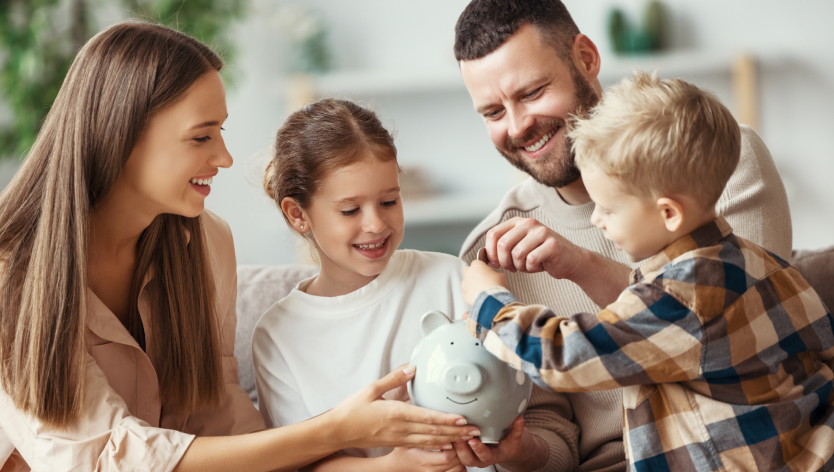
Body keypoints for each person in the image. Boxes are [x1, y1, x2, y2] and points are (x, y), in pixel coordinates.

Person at [0, 22, 475, 472]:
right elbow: (104, 457)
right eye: (201, 136)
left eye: (221, 132)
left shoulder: (204, 243)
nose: (225, 157)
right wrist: (334, 429)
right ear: (122, 135)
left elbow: (216, 416)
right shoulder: (11, 273)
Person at [452, 1, 793, 471]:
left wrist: (580, 268)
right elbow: (554, 443)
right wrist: (515, 451)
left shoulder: (713, 167)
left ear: (587, 58)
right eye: (492, 111)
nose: (517, 125)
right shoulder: (492, 252)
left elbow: (736, 336)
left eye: (531, 92)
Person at [253, 98, 495, 472]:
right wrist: (394, 466)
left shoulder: (448, 278)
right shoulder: (278, 334)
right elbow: (296, 463)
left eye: (389, 201)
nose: (376, 224)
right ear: (298, 214)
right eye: (350, 210)